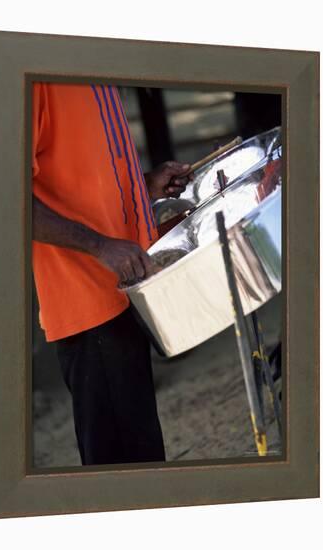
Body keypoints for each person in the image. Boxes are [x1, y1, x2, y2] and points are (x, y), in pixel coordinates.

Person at [32, 82, 192, 465]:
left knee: (143, 457)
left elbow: (87, 174)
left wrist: (144, 185)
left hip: (125, 294)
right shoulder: (37, 77)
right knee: (119, 473)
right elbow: (3, 195)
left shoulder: (94, 75)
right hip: (87, 308)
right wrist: (100, 246)